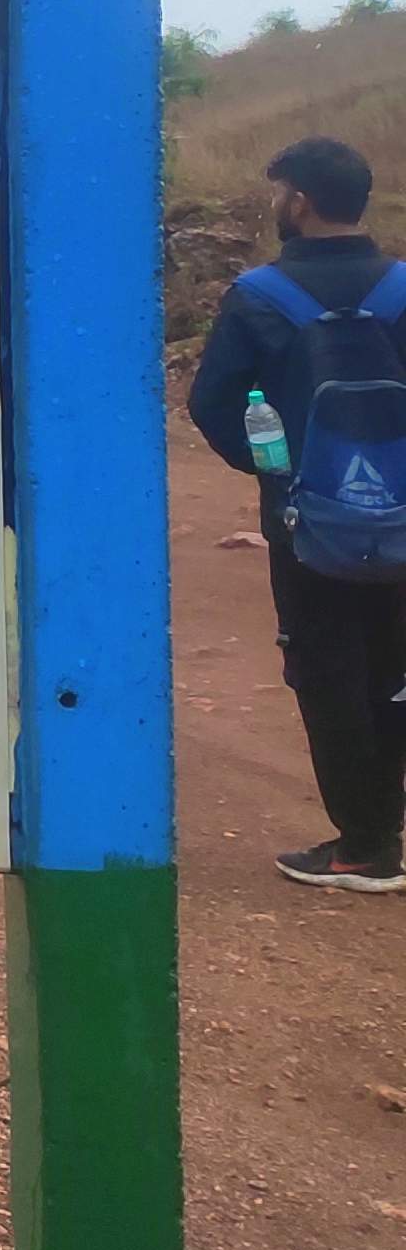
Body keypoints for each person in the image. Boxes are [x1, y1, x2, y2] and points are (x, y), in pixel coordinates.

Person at [186, 136, 406, 891]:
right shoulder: (404, 289)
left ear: (301, 201)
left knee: (326, 668)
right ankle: (384, 831)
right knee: (393, 667)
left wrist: (275, 474)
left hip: (306, 523)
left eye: (279, 191)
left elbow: (212, 403)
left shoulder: (260, 295)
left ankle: (365, 845)